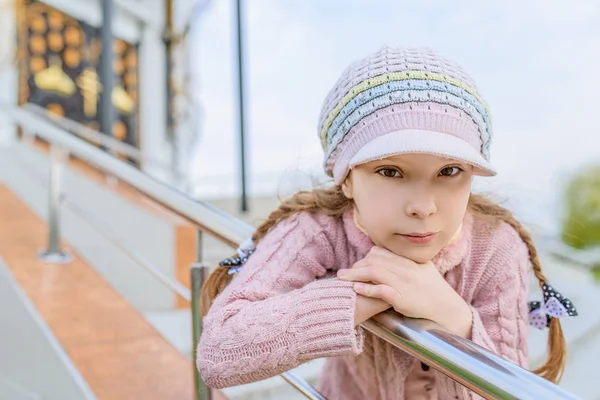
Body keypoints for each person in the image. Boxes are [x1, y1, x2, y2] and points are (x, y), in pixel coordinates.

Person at [196, 46, 577, 399]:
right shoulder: (321, 229)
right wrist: (367, 293)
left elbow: (510, 388)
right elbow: (219, 352)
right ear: (346, 177)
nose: (423, 206)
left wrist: (453, 316)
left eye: (450, 170)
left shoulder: (495, 246)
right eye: (390, 170)